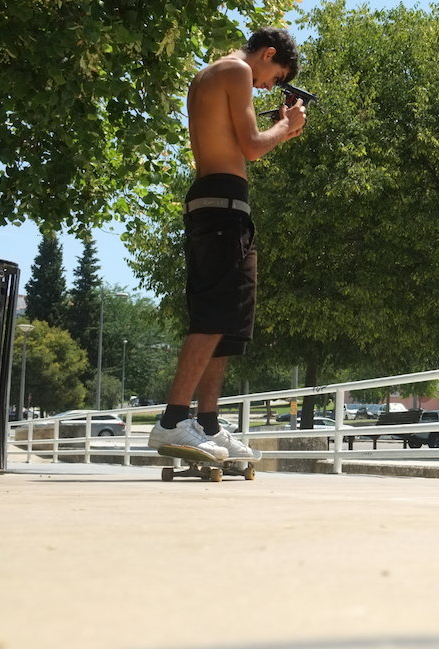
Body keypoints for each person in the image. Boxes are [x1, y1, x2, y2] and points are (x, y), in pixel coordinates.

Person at [148, 28, 307, 462]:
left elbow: (236, 142)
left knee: (228, 322)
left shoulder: (207, 74)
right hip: (222, 206)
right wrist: (284, 125)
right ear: (268, 54)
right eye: (275, 77)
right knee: (215, 313)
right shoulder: (237, 70)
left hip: (215, 203)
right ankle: (171, 422)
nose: (268, 86)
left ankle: (207, 424)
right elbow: (253, 148)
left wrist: (282, 131)